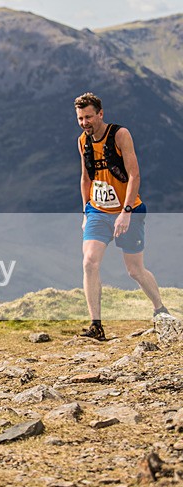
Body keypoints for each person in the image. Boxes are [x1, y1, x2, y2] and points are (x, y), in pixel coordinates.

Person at [75, 92, 170, 341]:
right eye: (80, 118)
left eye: (89, 117)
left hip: (129, 211)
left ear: (101, 114)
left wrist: (126, 212)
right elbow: (86, 177)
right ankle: (96, 325)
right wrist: (86, 209)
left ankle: (160, 309)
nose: (85, 122)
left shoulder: (120, 135)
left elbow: (134, 175)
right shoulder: (82, 142)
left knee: (135, 270)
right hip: (97, 211)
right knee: (89, 262)